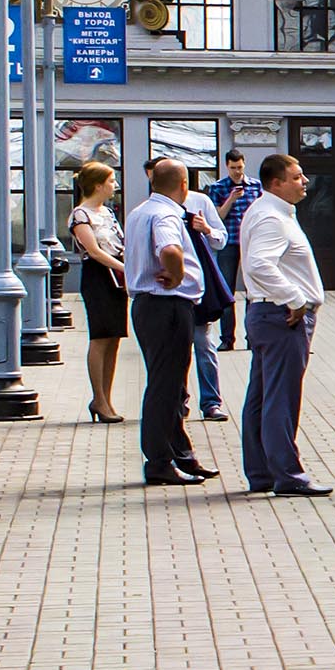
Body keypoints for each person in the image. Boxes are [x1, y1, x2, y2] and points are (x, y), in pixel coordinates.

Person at [237, 153, 331, 497]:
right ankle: (287, 473)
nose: (304, 181)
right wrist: (294, 298)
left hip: (268, 313)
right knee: (281, 397)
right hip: (281, 316)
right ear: (275, 183)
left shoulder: (269, 213)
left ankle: (262, 471)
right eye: (296, 177)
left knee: (262, 396)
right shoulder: (271, 218)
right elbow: (261, 264)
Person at [124, 159, 214, 486]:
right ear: (184, 186)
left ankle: (181, 455)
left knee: (172, 384)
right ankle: (159, 462)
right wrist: (176, 275)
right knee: (166, 386)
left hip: (148, 306)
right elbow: (170, 250)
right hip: (167, 306)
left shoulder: (139, 212)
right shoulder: (165, 214)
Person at [65, 161, 128, 424]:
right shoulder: (80, 215)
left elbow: (118, 242)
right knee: (100, 336)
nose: (115, 185)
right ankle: (98, 398)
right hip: (98, 277)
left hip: (117, 278)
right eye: (111, 181)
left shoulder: (108, 212)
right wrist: (125, 267)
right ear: (98, 185)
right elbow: (93, 251)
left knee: (114, 337)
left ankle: (106, 397)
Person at [177, 166, 235, 420]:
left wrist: (206, 229)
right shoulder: (157, 208)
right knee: (176, 349)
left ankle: (211, 402)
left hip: (200, 285)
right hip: (172, 289)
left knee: (203, 345)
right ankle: (179, 401)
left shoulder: (200, 201)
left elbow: (221, 238)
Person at [204, 148, 258, 352]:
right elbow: (217, 216)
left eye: (240, 167)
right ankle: (227, 338)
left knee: (252, 290)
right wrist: (231, 199)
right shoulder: (218, 188)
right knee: (227, 291)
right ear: (227, 166)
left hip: (250, 244)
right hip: (228, 243)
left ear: (244, 165)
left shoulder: (255, 186)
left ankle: (252, 337)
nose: (237, 171)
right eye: (233, 168)